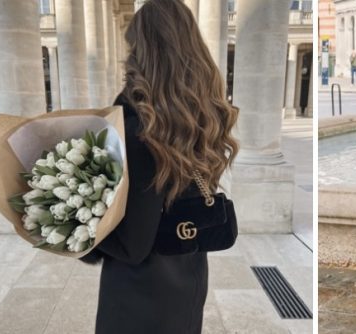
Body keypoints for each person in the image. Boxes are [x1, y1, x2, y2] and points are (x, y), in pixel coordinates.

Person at [79, 0, 239, 333]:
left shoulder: (135, 127)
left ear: (143, 53)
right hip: (187, 279)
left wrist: (74, 223)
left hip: (138, 298)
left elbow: (132, 245)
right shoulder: (199, 117)